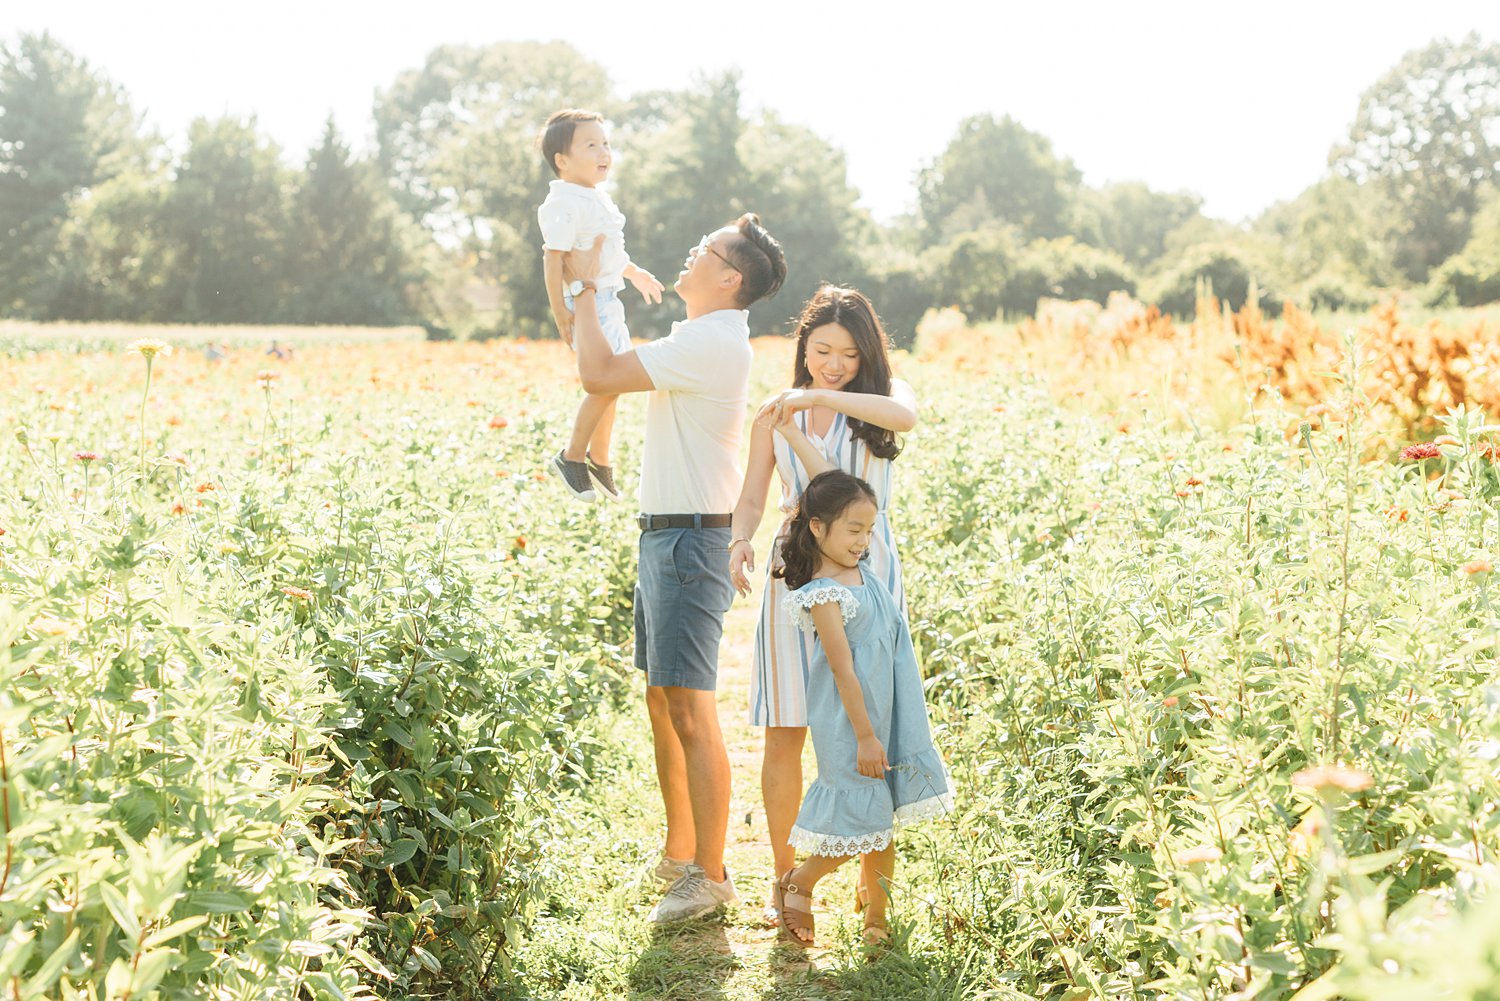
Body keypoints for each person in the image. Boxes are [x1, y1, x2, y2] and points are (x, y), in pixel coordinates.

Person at [561, 214, 787, 922]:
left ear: (731, 277)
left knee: (689, 706)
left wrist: (585, 286)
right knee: (663, 700)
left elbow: (598, 371)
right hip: (667, 536)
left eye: (707, 249)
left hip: (692, 541)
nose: (692, 252)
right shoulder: (700, 337)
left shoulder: (712, 340)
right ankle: (682, 850)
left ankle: (712, 873)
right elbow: (608, 374)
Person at [727, 285, 919, 924]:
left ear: (868, 355)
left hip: (870, 576)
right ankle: (787, 881)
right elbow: (754, 493)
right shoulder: (774, 414)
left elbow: (907, 418)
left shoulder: (877, 403)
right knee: (786, 727)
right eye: (820, 351)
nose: (832, 362)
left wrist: (817, 395)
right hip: (795, 571)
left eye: (847, 353)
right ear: (802, 345)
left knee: (875, 728)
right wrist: (738, 539)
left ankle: (874, 893)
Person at [770, 470, 952, 947]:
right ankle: (802, 879)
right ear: (817, 526)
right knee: (864, 820)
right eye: (853, 530)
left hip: (888, 713)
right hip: (853, 723)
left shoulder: (862, 571)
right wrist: (867, 736)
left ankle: (877, 919)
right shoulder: (824, 592)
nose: (863, 540)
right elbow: (844, 670)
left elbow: (824, 487)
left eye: (868, 530)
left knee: (882, 821)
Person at [537, 108, 664, 503]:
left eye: (605, 143)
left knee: (616, 383)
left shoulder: (595, 198)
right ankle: (572, 455)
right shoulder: (563, 203)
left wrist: (633, 271)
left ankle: (600, 459)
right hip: (587, 303)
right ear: (562, 160)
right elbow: (554, 258)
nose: (603, 151)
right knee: (605, 380)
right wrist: (561, 309)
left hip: (610, 299)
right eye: (590, 145)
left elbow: (606, 252)